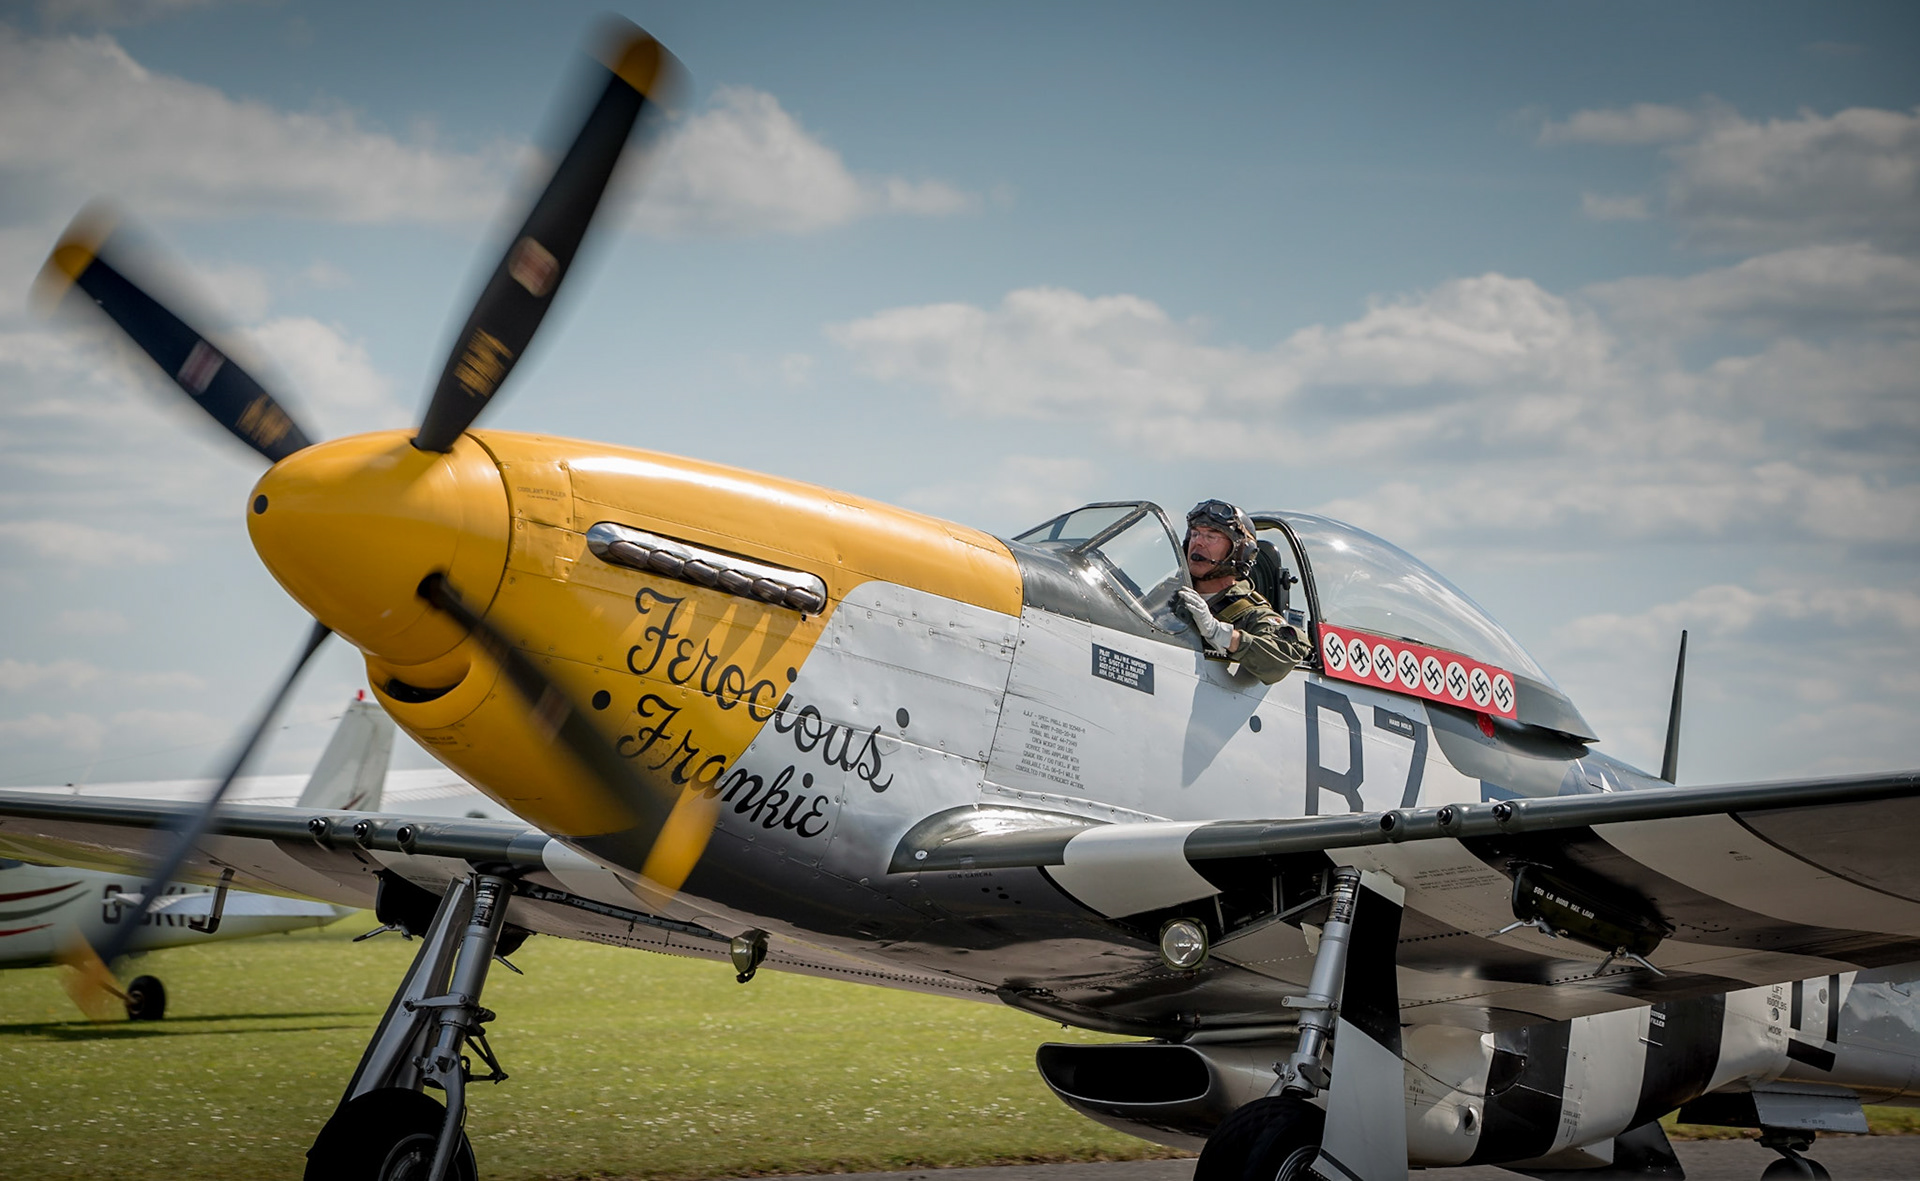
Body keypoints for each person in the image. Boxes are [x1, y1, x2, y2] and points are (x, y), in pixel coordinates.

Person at [1174, 500, 1312, 684]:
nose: (1197, 542)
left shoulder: (1252, 613)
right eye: (1195, 534)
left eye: (1211, 536)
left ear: (1240, 552)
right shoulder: (1170, 593)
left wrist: (1218, 632)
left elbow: (1286, 654)